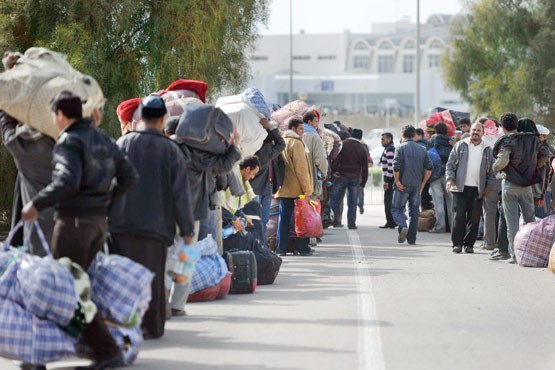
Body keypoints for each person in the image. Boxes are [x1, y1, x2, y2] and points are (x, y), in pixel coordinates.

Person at [21, 91, 138, 370]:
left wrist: (36, 204)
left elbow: (68, 181)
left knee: (68, 289)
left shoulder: (68, 141)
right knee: (73, 287)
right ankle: (42, 354)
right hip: (97, 224)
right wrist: (105, 203)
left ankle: (107, 352)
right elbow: (129, 177)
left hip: (73, 223)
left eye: (53, 115)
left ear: (61, 115)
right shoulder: (104, 140)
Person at [109, 95, 195, 339]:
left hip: (122, 224)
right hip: (156, 229)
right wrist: (187, 231)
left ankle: (125, 324)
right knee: (154, 280)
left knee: (124, 278)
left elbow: (109, 183)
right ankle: (152, 327)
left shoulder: (122, 144)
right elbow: (181, 194)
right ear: (162, 119)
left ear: (141, 118)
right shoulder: (171, 150)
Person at [492, 113, 549, 264]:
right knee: (530, 221)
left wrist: (495, 169)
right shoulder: (534, 140)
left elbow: (501, 161)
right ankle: (530, 252)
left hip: (510, 185)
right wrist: (534, 165)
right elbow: (545, 156)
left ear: (503, 127)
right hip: (527, 186)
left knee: (511, 223)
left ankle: (515, 255)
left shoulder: (508, 140)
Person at [446, 123, 495, 253]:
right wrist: (450, 179)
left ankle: (469, 245)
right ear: (470, 131)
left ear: (483, 133)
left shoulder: (487, 149)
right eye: (474, 129)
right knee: (458, 217)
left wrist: (488, 186)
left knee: (474, 218)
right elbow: (450, 165)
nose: (475, 132)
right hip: (459, 188)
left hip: (477, 189)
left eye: (479, 130)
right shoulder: (460, 145)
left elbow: (492, 171)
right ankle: (457, 244)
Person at [275, 118, 313, 256]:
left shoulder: (282, 141)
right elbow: (301, 169)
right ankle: (302, 248)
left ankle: (281, 248)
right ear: (294, 129)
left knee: (283, 219)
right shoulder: (296, 143)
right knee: (302, 218)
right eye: (301, 129)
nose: (303, 132)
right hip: (297, 189)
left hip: (283, 188)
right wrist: (307, 189)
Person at [391, 125, 432, 244]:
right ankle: (412, 238)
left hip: (402, 185)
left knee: (396, 209)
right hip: (417, 185)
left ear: (403, 135)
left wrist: (397, 181)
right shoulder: (422, 149)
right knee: (414, 212)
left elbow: (396, 166)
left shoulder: (399, 147)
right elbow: (429, 167)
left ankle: (402, 225)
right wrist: (423, 183)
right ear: (414, 135)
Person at [250, 118, 285, 243]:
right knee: (261, 221)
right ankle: (261, 246)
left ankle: (260, 246)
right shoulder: (266, 152)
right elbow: (281, 144)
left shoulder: (251, 148)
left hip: (263, 187)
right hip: (261, 189)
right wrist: (270, 127)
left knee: (258, 220)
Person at [329, 128, 368, 230]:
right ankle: (351, 224)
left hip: (342, 176)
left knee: (334, 198)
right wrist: (363, 183)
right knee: (352, 202)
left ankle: (330, 219)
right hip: (355, 178)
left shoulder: (344, 144)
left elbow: (336, 158)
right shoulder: (362, 148)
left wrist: (333, 172)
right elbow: (365, 168)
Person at [427, 122, 454, 233]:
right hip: (449, 174)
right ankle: (453, 227)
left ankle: (440, 227)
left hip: (435, 175)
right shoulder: (451, 141)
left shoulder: (431, 141)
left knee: (438, 201)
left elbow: (427, 157)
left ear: (435, 130)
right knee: (451, 202)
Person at [301, 111, 328, 199]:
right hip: (311, 178)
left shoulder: (296, 134)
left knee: (298, 202)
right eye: (316, 122)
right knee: (309, 204)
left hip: (295, 180)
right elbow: (320, 159)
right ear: (309, 122)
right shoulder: (314, 137)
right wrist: (324, 172)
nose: (317, 124)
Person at [379, 132, 396, 229]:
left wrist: (387, 181)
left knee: (388, 201)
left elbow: (391, 167)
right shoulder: (388, 149)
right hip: (390, 178)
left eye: (383, 139)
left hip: (390, 178)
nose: (381, 141)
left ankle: (390, 221)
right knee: (389, 200)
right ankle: (390, 221)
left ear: (389, 139)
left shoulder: (389, 150)